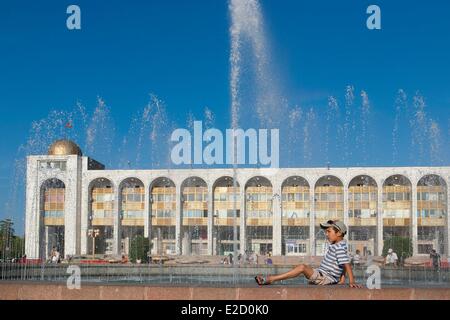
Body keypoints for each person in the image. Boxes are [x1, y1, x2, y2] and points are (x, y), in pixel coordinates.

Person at [255, 220, 361, 288]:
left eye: (329, 231)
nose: (326, 234)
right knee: (298, 267)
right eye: (326, 231)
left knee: (302, 267)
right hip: (321, 274)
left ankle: (270, 279)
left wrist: (351, 281)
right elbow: (342, 264)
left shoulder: (339, 247)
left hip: (324, 278)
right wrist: (341, 280)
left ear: (338, 233)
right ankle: (273, 279)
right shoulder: (339, 244)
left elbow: (347, 264)